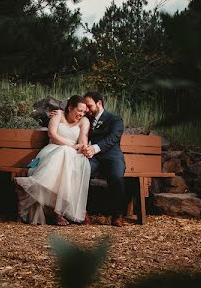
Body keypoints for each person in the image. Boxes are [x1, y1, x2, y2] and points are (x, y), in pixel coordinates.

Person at [15, 95, 91, 225]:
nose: (82, 114)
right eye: (79, 110)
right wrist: (71, 146)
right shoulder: (58, 115)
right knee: (63, 152)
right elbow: (53, 135)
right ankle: (57, 213)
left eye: (84, 111)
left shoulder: (84, 121)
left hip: (72, 155)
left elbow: (83, 141)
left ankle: (34, 183)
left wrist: (78, 147)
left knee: (66, 155)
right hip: (51, 151)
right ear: (70, 108)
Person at [80, 91, 127, 227]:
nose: (87, 110)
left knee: (117, 177)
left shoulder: (115, 119)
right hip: (92, 157)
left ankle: (117, 215)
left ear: (99, 103)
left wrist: (95, 148)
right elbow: (71, 113)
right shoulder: (85, 119)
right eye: (86, 107)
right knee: (82, 172)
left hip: (112, 156)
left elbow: (113, 138)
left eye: (89, 106)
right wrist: (58, 113)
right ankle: (82, 212)